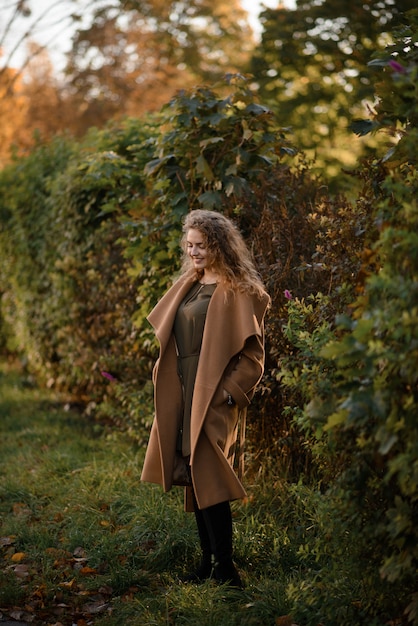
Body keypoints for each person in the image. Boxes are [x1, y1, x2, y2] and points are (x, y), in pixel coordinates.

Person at [141, 209, 270, 588]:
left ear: (218, 245)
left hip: (214, 393)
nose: (193, 251)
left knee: (208, 472)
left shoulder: (239, 291)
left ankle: (227, 571)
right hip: (184, 390)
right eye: (189, 245)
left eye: (200, 245)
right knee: (195, 476)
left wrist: (229, 395)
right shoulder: (192, 282)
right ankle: (208, 563)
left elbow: (253, 356)